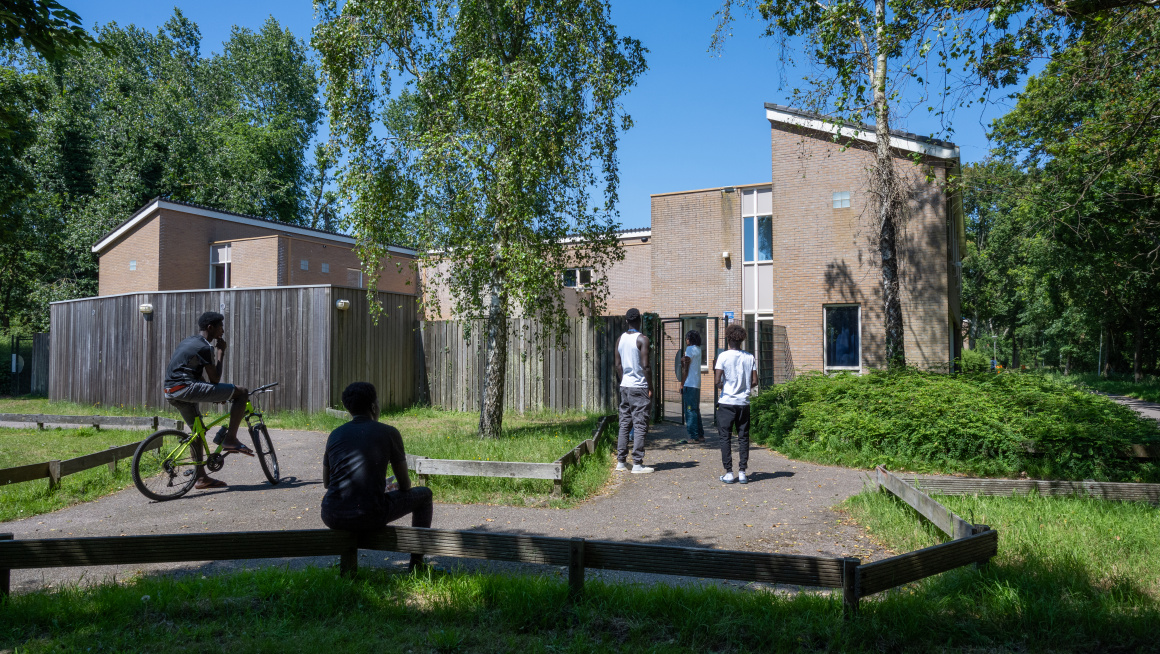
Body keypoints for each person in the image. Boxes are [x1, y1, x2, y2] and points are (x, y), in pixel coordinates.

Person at [321, 381, 433, 571]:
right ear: (373, 406)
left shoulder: (335, 434)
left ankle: (348, 570)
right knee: (425, 495)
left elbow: (327, 482)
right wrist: (390, 488)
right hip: (370, 514)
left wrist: (378, 486)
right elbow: (405, 485)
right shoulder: (388, 432)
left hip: (332, 514)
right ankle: (417, 566)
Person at [162, 311, 253, 490]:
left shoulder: (188, 341)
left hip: (171, 391)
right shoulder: (205, 347)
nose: (223, 331)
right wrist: (220, 352)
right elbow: (215, 379)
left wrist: (214, 394)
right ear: (210, 327)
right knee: (242, 392)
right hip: (185, 388)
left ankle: (201, 478)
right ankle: (231, 439)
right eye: (220, 327)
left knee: (197, 432)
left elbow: (193, 374)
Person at [714, 323, 757, 484]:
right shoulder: (749, 357)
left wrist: (723, 386)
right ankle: (743, 472)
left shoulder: (723, 357)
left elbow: (717, 380)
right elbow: (754, 381)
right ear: (742, 340)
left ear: (727, 338)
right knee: (743, 437)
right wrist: (744, 388)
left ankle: (729, 472)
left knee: (725, 437)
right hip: (743, 403)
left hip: (727, 402)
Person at [614, 308, 654, 474]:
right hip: (639, 387)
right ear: (640, 320)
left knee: (624, 423)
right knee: (639, 424)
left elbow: (617, 365)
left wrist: (624, 379)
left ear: (626, 321)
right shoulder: (642, 339)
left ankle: (621, 462)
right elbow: (645, 366)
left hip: (625, 386)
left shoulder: (620, 339)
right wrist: (650, 386)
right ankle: (637, 463)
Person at [679, 329, 704, 443]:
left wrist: (682, 383)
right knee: (695, 410)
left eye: (687, 338)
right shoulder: (698, 349)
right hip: (697, 383)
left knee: (689, 410)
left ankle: (693, 436)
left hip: (689, 383)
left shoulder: (689, 349)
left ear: (689, 339)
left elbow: (686, 369)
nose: (686, 340)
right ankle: (700, 435)